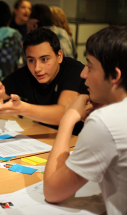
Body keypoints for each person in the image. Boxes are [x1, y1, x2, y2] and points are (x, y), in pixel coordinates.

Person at [44, 26, 127, 215]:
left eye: (89, 66)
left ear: (115, 76)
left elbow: (52, 191)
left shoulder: (105, 122)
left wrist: (68, 118)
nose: (83, 74)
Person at [0, 28, 87, 132]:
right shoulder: (26, 74)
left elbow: (64, 114)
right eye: (31, 60)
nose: (37, 68)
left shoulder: (74, 71)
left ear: (59, 56)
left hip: (79, 141)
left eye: (44, 59)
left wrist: (21, 108)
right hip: (48, 136)